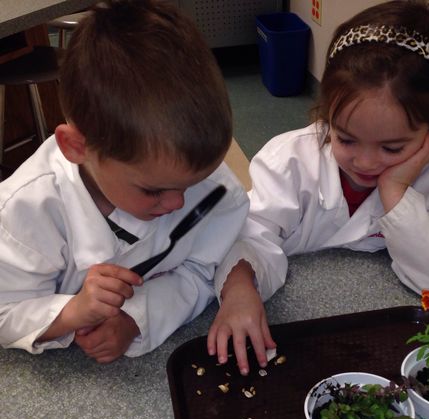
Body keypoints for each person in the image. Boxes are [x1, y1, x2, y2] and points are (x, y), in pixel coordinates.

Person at [208, 0, 429, 375]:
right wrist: (239, 288)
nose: (364, 162)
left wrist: (396, 192)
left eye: (392, 149)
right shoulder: (289, 162)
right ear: (327, 112)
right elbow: (251, 233)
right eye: (346, 139)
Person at [0, 0, 249, 363]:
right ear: (76, 147)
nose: (179, 203)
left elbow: (202, 270)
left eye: (190, 184)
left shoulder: (210, 185)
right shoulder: (27, 208)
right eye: (153, 191)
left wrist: (134, 321)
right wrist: (70, 312)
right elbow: (6, 312)